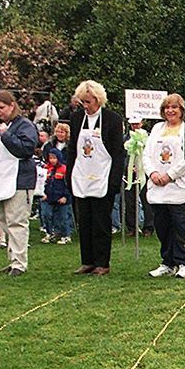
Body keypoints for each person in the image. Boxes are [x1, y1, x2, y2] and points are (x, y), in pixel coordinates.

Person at [64, 80, 126, 275]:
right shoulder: (76, 120)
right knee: (85, 220)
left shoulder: (112, 120)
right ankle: (87, 260)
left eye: (89, 101)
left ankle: (102, 262)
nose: (86, 106)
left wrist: (114, 181)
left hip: (102, 176)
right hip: (82, 176)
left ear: (98, 100)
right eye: (82, 102)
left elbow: (117, 153)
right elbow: (73, 148)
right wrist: (70, 173)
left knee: (101, 222)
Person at [143, 93, 185, 278]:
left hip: (180, 185)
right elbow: (146, 154)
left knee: (181, 225)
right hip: (158, 186)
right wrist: (152, 173)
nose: (170, 110)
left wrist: (170, 175)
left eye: (174, 107)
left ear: (181, 110)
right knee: (162, 225)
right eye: (167, 107)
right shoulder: (156, 128)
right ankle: (168, 262)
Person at [0, 90, 40, 276]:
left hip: (19, 182)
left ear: (11, 106)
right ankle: (12, 258)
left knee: (17, 222)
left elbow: (27, 149)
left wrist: (7, 136)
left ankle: (19, 262)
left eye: (1, 107)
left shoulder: (25, 126)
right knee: (5, 223)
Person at [39, 147, 73, 245]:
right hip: (48, 197)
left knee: (63, 217)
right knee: (46, 215)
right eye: (50, 158)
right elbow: (42, 182)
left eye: (54, 158)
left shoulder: (64, 169)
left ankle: (66, 235)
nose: (52, 160)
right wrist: (43, 193)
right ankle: (50, 233)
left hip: (61, 197)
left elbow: (68, 185)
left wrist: (66, 196)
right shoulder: (46, 169)